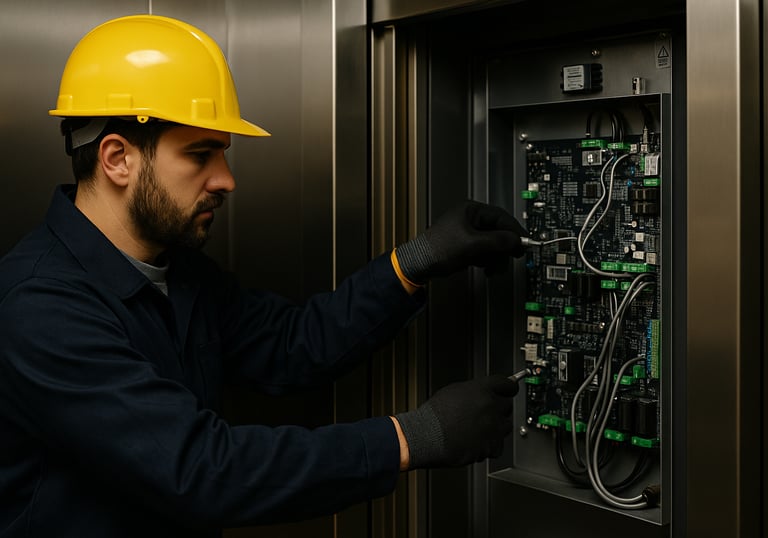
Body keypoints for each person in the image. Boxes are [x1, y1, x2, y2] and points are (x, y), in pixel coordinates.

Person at [0, 14, 527, 538]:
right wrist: (414, 438)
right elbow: (202, 471)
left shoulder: (179, 271)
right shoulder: (40, 306)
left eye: (223, 154)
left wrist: (420, 258)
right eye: (200, 154)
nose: (226, 180)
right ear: (118, 158)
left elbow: (293, 345)